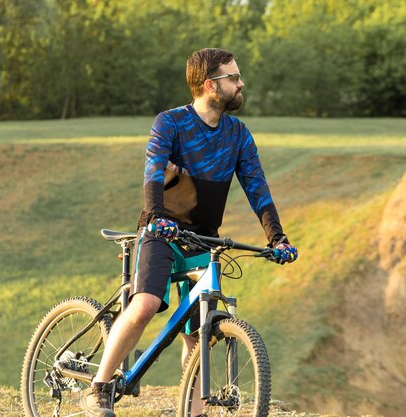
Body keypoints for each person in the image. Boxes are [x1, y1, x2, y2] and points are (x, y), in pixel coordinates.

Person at [80, 47, 298, 417]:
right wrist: (156, 215)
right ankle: (99, 387)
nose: (241, 83)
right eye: (233, 77)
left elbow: (257, 189)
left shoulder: (238, 135)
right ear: (210, 85)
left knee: (198, 333)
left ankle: (191, 412)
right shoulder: (171, 123)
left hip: (204, 238)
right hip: (161, 231)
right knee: (146, 303)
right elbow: (152, 173)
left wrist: (277, 238)